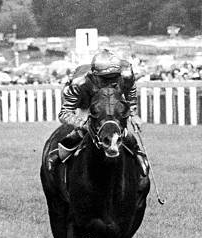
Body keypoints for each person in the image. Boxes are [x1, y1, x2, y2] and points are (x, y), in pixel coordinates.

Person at [50, 49, 149, 178]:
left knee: (119, 128)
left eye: (114, 77)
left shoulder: (126, 74)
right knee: (86, 130)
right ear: (95, 75)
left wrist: (133, 114)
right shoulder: (79, 83)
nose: (110, 82)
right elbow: (64, 113)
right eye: (105, 79)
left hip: (112, 102)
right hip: (86, 104)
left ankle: (137, 153)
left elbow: (130, 90)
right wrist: (82, 124)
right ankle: (58, 156)